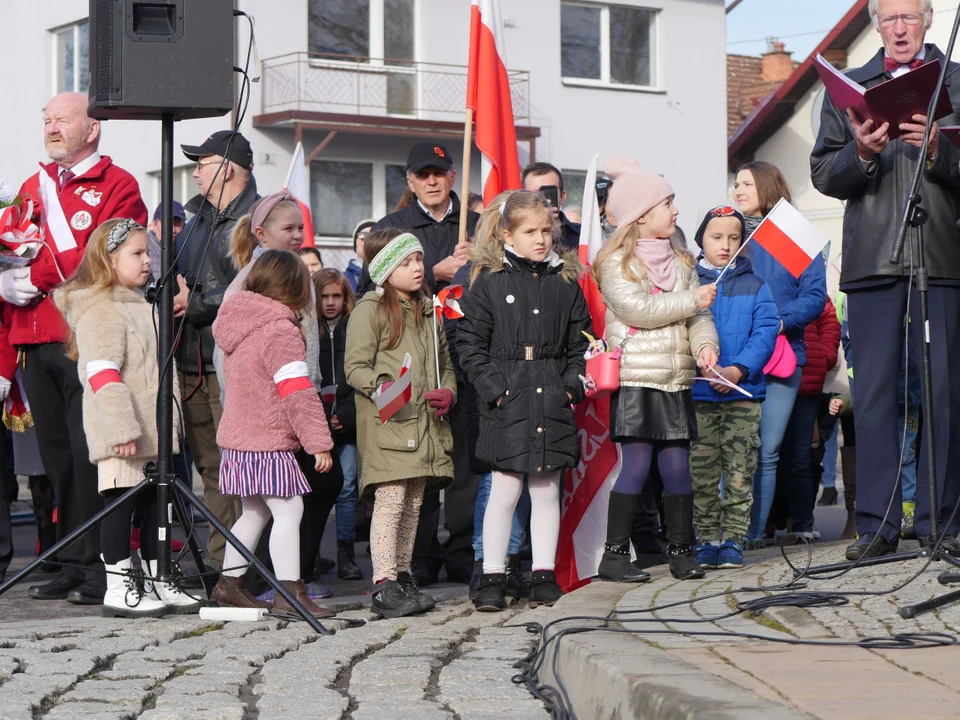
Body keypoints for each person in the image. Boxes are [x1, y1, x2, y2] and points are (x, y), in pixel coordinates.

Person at [810, 0, 960, 559]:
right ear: (877, 24)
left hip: (943, 260)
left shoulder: (956, 82)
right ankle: (875, 526)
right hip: (874, 264)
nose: (899, 29)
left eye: (910, 18)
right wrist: (862, 153)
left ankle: (942, 524)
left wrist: (941, 151)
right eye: (889, 19)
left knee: (944, 395)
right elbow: (823, 172)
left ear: (927, 21)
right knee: (875, 399)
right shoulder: (848, 87)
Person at [0, 92, 148, 605]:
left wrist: (29, 273)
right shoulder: (29, 187)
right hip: (34, 336)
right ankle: (68, 557)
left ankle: (97, 567)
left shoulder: (118, 185)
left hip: (84, 334)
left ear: (93, 128)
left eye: (62, 118)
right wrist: (3, 282)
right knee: (56, 460)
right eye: (46, 119)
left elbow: (98, 257)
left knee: (91, 457)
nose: (51, 126)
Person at [55, 218, 199, 617]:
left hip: (152, 430)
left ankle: (158, 578)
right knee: (120, 503)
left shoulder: (140, 305)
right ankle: (119, 586)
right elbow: (101, 372)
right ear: (108, 259)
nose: (147, 262)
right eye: (136, 254)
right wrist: (121, 427)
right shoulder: (101, 309)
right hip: (123, 430)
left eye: (147, 253)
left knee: (157, 506)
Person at [457, 190, 590, 611]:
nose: (541, 239)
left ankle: (543, 575)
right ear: (507, 234)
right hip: (508, 398)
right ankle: (492, 575)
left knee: (547, 489)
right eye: (530, 231)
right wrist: (495, 389)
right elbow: (470, 343)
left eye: (546, 230)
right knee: (505, 490)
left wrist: (570, 387)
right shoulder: (491, 283)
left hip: (551, 393)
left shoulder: (564, 283)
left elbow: (582, 342)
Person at [593, 157, 719, 583]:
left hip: (675, 379)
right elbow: (639, 309)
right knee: (636, 466)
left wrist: (705, 346)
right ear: (641, 215)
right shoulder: (616, 264)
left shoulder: (683, 263)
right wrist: (693, 303)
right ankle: (613, 556)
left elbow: (698, 318)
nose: (676, 211)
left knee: (678, 469)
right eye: (668, 203)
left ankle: (682, 551)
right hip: (636, 378)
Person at [213, 192, 340, 602]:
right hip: (268, 438)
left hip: (238, 437)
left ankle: (229, 584)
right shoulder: (281, 330)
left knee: (255, 511)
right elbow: (297, 390)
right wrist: (318, 442)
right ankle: (292, 592)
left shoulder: (240, 322)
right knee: (289, 509)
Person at [372, 140, 480, 586]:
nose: (432, 181)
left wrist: (478, 264)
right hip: (412, 353)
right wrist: (434, 271)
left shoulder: (477, 226)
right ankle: (418, 555)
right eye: (423, 174)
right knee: (418, 458)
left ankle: (462, 550)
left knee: (463, 460)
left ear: (453, 176)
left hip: (467, 350)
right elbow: (371, 280)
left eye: (439, 172)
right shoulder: (394, 226)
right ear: (410, 180)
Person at [345, 229, 456, 618]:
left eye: (419, 260)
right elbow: (354, 367)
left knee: (413, 505)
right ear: (386, 268)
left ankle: (404, 573)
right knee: (390, 503)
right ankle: (383, 581)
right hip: (390, 425)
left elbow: (445, 364)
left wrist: (450, 392)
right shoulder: (369, 310)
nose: (417, 268)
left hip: (424, 428)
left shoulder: (430, 311)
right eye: (406, 262)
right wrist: (383, 388)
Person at [175, 130, 259, 572]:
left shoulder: (259, 218)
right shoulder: (195, 222)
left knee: (243, 470)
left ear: (227, 169)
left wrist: (197, 304)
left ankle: (241, 568)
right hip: (194, 361)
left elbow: (260, 286)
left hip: (235, 363)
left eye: (201, 164)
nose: (194, 172)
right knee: (210, 468)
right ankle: (219, 566)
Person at [733, 161, 826, 549]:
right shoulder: (730, 234)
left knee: (768, 452)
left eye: (746, 184)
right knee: (738, 453)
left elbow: (815, 296)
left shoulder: (793, 235)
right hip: (736, 357)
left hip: (783, 356)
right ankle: (731, 532)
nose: (737, 190)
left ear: (767, 187)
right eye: (735, 183)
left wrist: (777, 322)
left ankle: (754, 533)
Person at [447, 191, 531, 602]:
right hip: (489, 396)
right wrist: (491, 383)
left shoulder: (531, 274)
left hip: (526, 393)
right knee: (493, 485)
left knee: (525, 483)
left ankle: (511, 559)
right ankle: (486, 563)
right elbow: (458, 337)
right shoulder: (473, 276)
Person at [688, 207, 779, 570]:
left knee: (740, 470)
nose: (725, 245)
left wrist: (738, 370)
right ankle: (707, 538)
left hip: (743, 392)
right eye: (716, 237)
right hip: (699, 394)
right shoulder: (689, 283)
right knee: (703, 471)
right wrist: (705, 366)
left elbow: (766, 331)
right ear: (701, 240)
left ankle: (734, 539)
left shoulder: (756, 285)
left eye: (733, 238)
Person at [778, 296, 839, 544]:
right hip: (770, 372)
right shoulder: (762, 270)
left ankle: (802, 522)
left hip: (808, 377)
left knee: (801, 457)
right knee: (765, 457)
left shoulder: (807, 278)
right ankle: (764, 524)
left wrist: (824, 356)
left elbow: (829, 320)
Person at [314, 269, 362, 580]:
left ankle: (346, 554)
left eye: (336, 296)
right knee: (314, 491)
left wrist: (345, 415)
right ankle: (312, 553)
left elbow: (359, 378)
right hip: (315, 423)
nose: (330, 303)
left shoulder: (354, 329)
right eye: (324, 296)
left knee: (346, 490)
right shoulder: (307, 330)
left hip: (347, 420)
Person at [521, 162, 581, 252]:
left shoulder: (582, 236)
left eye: (549, 192)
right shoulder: (516, 237)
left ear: (562, 197)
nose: (543, 199)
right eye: (535, 194)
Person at [146, 201, 186, 282]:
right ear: (154, 224)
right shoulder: (144, 246)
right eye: (167, 223)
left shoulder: (187, 248)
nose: (173, 230)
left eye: (177, 224)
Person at [345, 219, 375, 294]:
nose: (368, 241)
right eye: (363, 236)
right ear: (355, 243)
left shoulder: (389, 277)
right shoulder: (343, 279)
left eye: (373, 236)